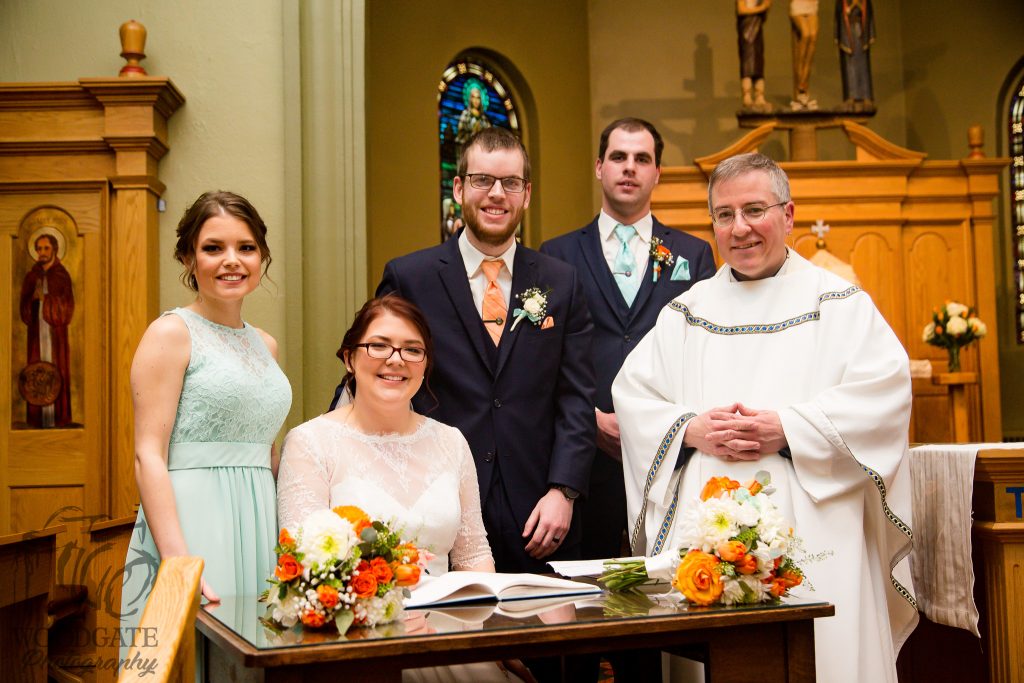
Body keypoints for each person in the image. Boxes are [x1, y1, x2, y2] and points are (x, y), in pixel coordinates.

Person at [613, 153, 917, 683]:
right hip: (708, 535)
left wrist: (790, 429)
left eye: (754, 210)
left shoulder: (839, 304)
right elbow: (634, 395)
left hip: (822, 530)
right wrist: (691, 428)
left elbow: (885, 394)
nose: (740, 229)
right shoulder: (687, 312)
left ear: (789, 215)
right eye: (724, 215)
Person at [331, 127, 596, 576]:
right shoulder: (411, 277)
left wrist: (564, 490)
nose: (497, 194)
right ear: (458, 188)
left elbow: (576, 397)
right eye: (482, 180)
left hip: (539, 513)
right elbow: (377, 376)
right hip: (437, 507)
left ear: (527, 194)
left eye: (511, 182)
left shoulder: (561, 282)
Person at [280, 295, 535, 683]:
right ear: (349, 358)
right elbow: (302, 563)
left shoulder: (451, 442)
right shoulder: (310, 443)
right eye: (379, 345)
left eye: (412, 350)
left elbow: (473, 554)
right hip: (361, 643)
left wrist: (492, 639)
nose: (395, 359)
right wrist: (381, 615)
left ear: (425, 364)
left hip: (453, 634)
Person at [119, 191, 292, 663]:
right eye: (213, 248)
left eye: (246, 247)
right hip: (193, 519)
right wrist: (178, 560)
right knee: (197, 656)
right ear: (188, 258)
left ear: (261, 256)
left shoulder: (266, 345)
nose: (232, 260)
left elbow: (268, 448)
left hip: (259, 517)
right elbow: (148, 455)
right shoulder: (171, 333)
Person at [541, 118, 715, 563]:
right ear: (599, 167)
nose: (629, 167)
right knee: (584, 584)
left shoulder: (693, 255)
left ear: (657, 173)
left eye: (642, 159)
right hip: (584, 459)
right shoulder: (556, 255)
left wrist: (660, 425)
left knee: (668, 580)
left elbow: (705, 356)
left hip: (669, 458)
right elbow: (543, 357)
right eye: (618, 157)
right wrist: (590, 420)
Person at [19, 232, 74, 427]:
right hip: (36, 334)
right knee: (36, 370)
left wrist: (47, 300)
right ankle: (37, 419)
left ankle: (58, 419)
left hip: (55, 334)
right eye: (39, 249)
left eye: (46, 248)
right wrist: (32, 300)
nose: (42, 252)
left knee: (56, 370)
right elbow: (23, 309)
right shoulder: (31, 276)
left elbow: (67, 307)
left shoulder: (61, 275)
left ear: (55, 250)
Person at [836, 0, 875, 111]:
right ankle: (851, 95)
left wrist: (859, 6)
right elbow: (840, 17)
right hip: (848, 35)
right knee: (849, 66)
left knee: (863, 66)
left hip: (861, 34)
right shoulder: (841, 2)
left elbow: (868, 15)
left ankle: (866, 95)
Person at [736, 0, 773, 112]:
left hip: (757, 29)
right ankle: (747, 95)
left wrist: (766, 6)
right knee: (747, 63)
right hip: (746, 29)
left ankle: (759, 95)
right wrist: (761, 8)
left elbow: (764, 16)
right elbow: (741, 9)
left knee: (758, 62)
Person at [789, 0, 819, 110]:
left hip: (811, 5)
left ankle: (803, 81)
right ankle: (800, 87)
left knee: (813, 36)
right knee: (805, 35)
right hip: (798, 5)